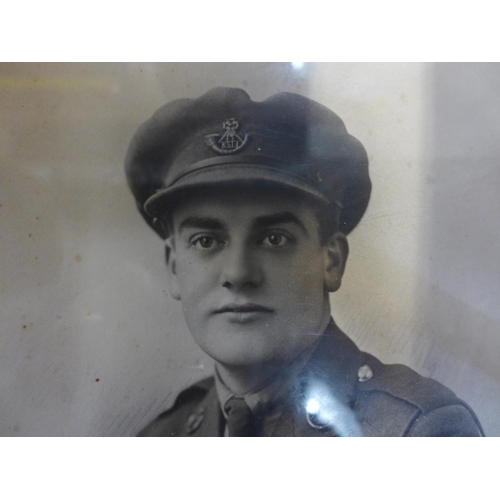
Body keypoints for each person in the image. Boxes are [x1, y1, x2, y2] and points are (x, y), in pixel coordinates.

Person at [125, 87, 483, 437]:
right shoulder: (161, 437)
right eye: (206, 241)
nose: (237, 273)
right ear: (173, 266)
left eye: (274, 239)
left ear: (331, 261)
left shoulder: (418, 430)